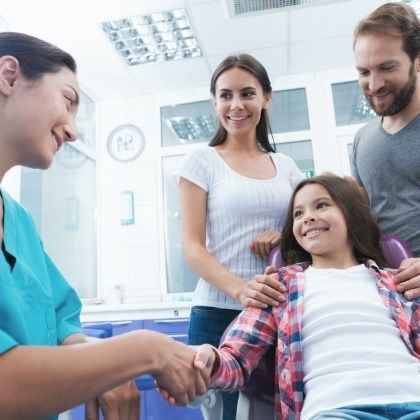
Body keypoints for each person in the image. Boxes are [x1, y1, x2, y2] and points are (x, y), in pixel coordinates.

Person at [0, 31, 210, 420]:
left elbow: (61, 330)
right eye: (67, 99)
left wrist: (106, 370)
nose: (74, 131)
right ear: (9, 76)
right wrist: (146, 350)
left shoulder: (19, 222)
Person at [178, 175, 420, 420]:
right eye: (298, 213)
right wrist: (211, 362)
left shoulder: (397, 280)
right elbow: (236, 360)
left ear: (352, 217)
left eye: (322, 205)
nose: (308, 217)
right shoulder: (279, 287)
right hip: (337, 410)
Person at [173, 53, 304, 418]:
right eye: (225, 95)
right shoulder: (201, 161)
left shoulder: (288, 167)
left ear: (266, 97)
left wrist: (283, 236)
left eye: (247, 93)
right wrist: (241, 289)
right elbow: (193, 247)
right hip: (217, 313)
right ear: (214, 102)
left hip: (278, 313)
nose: (236, 105)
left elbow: (308, 233)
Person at [350, 2, 420, 299]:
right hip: (389, 298)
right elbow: (365, 220)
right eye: (364, 71)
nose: (374, 84)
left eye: (387, 68)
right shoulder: (362, 140)